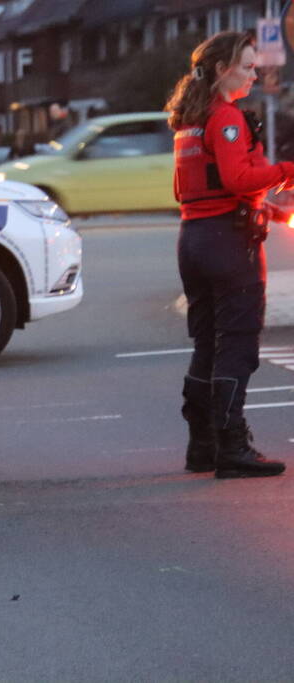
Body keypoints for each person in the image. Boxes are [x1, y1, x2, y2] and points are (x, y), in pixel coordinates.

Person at [166, 31, 294, 478]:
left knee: (207, 344)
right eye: (247, 66)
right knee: (237, 345)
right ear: (222, 70)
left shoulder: (191, 120)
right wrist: (288, 172)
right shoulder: (225, 117)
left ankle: (202, 446)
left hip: (194, 240)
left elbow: (196, 189)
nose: (254, 74)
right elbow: (238, 178)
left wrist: (267, 208)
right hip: (229, 245)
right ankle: (232, 447)